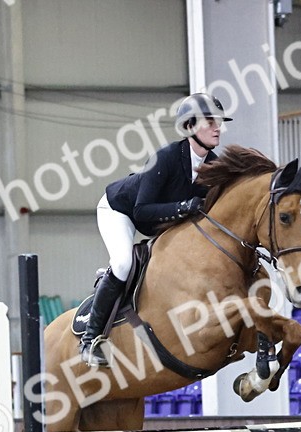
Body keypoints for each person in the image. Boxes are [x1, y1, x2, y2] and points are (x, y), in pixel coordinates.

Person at [80, 92, 232, 367]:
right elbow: (141, 210)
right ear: (189, 127)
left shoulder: (215, 166)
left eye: (218, 121)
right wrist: (185, 205)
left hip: (159, 223)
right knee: (124, 263)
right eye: (209, 121)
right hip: (120, 211)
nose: (217, 127)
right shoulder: (166, 158)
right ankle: (90, 339)